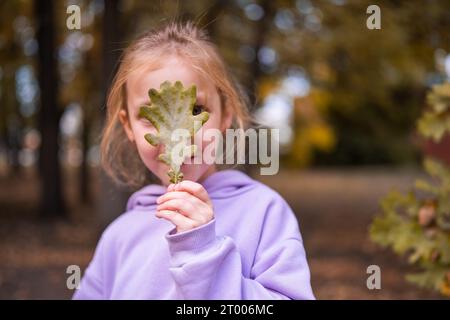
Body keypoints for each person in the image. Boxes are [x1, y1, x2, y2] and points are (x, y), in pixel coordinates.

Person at [73, 21, 314, 300]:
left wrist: (204, 255)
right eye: (152, 116)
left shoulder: (264, 212)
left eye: (197, 109)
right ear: (128, 126)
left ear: (225, 113)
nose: (179, 133)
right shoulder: (118, 236)